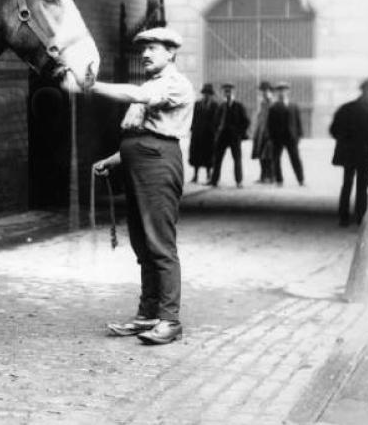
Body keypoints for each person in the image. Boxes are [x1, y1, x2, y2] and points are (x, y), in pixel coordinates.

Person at [91, 27, 195, 346]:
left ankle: (169, 320)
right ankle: (148, 314)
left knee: (160, 244)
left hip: (158, 163)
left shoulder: (174, 83)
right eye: (144, 49)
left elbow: (145, 113)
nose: (146, 54)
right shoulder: (152, 82)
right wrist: (113, 159)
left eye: (153, 48)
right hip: (141, 162)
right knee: (143, 244)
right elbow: (141, 134)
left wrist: (92, 85)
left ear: (171, 53)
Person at [329, 79, 368, 227]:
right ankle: (360, 217)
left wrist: (345, 142)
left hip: (349, 154)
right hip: (364, 155)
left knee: (347, 185)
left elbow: (334, 130)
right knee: (361, 187)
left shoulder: (346, 108)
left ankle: (344, 217)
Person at [210, 82, 250, 189]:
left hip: (234, 138)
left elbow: (246, 121)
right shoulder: (221, 106)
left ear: (233, 92)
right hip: (222, 137)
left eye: (229, 91)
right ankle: (214, 181)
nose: (227, 93)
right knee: (217, 160)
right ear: (224, 93)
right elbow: (215, 122)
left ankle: (239, 181)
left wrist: (239, 132)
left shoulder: (239, 106)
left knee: (237, 159)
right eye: (226, 91)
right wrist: (217, 132)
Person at [268, 81, 305, 187]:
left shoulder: (294, 106)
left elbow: (298, 122)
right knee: (276, 159)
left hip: (292, 137)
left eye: (284, 90)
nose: (282, 92)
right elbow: (270, 124)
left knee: (295, 158)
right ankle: (279, 180)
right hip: (277, 138)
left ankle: (301, 179)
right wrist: (271, 137)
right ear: (277, 93)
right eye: (280, 91)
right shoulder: (273, 107)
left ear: (288, 91)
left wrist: (299, 136)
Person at [188, 83, 218, 184]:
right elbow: (193, 118)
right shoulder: (197, 104)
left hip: (209, 135)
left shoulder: (214, 105)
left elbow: (216, 120)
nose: (206, 95)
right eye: (205, 93)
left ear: (211, 94)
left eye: (208, 93)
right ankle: (195, 175)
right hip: (197, 134)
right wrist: (192, 129)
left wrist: (215, 131)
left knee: (208, 155)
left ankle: (208, 175)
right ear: (203, 94)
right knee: (196, 155)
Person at [251, 81, 276, 184]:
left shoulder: (273, 103)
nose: (264, 93)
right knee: (261, 156)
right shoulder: (263, 103)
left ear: (270, 91)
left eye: (266, 91)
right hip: (261, 132)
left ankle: (271, 177)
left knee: (269, 156)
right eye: (263, 91)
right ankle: (263, 177)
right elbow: (261, 117)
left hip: (270, 133)